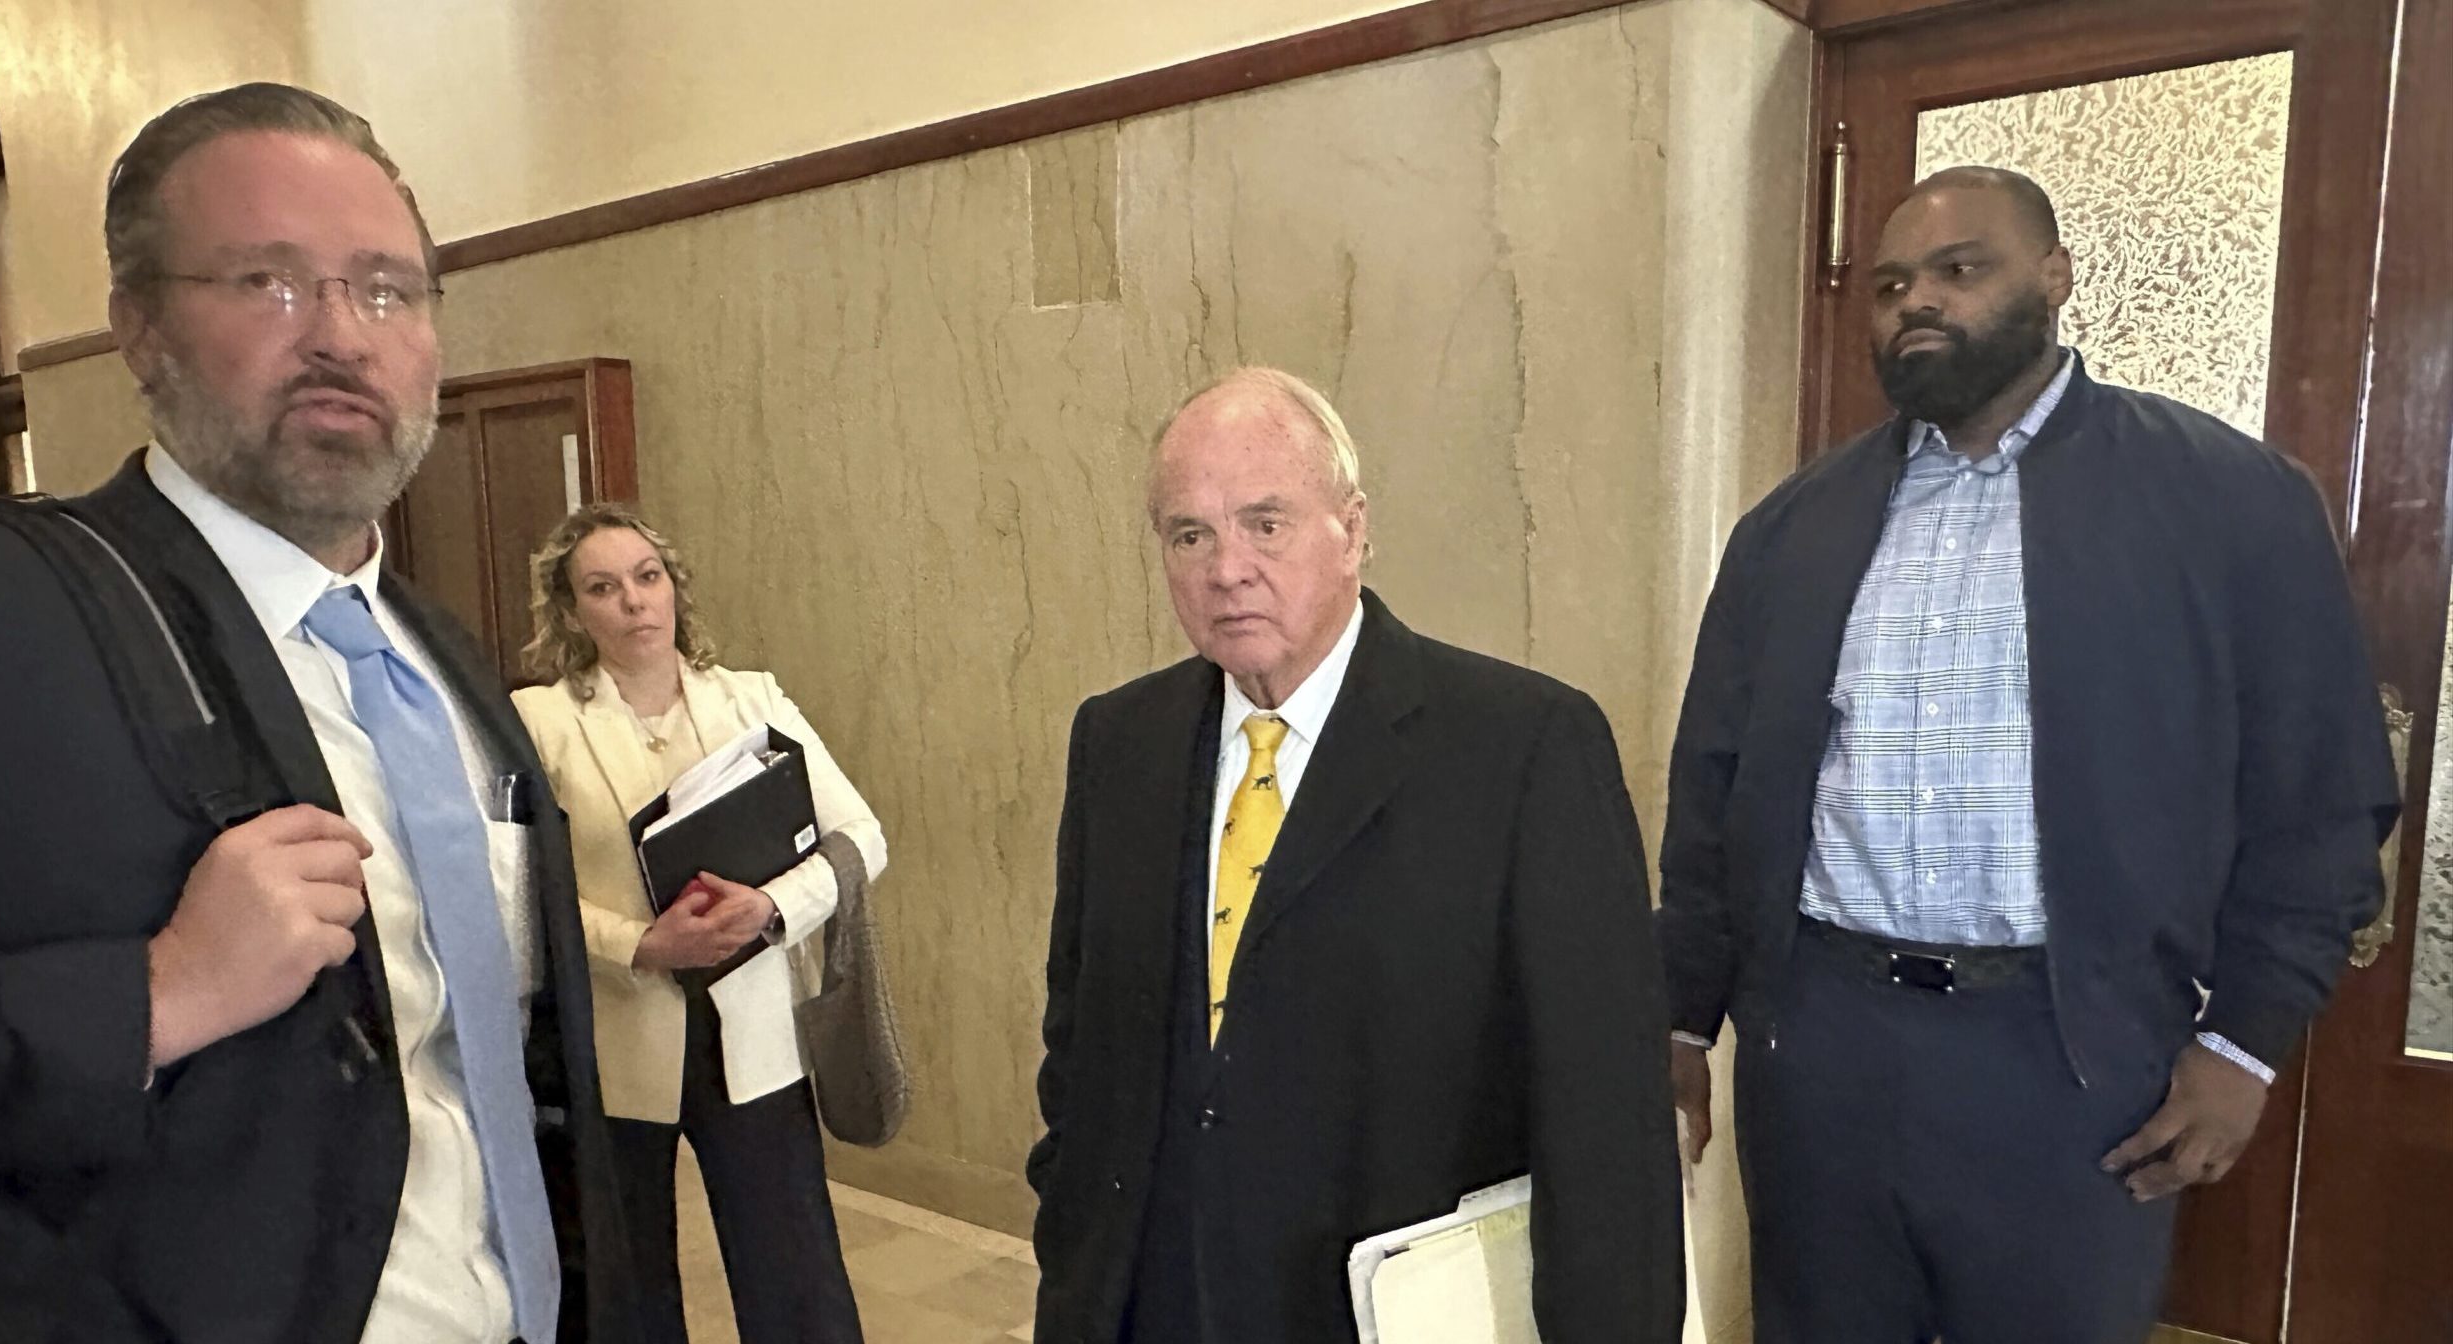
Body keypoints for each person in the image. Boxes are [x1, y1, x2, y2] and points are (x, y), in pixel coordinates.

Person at [0, 84, 639, 1342]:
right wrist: (154, 993)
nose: (342, 335)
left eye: (387, 288)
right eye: (267, 282)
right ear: (140, 327)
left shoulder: (446, 661)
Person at [1655, 166, 2401, 1343]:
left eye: (1962, 270)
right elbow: (1714, 792)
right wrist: (1682, 1020)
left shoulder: (2228, 503)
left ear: (2053, 280)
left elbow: (2320, 800)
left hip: (2070, 1054)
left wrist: (2243, 1042)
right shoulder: (1792, 532)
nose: (1919, 303)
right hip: (1821, 1045)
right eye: (1893, 282)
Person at [1026, 367, 1684, 1343]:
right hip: (1153, 1300)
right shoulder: (1119, 742)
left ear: (1354, 531)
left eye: (1266, 522)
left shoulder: (1523, 749)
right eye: (1189, 534)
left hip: (1381, 1309)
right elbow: (1082, 1050)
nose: (1227, 568)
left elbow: (1605, 1124)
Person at [513, 502, 877, 1344]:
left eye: (648, 578)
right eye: (603, 588)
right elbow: (520, 892)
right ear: (572, 612)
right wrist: (637, 943)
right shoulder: (541, 722)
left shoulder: (753, 701)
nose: (635, 602)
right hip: (618, 1040)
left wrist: (774, 908)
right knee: (627, 1286)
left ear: (674, 588)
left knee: (794, 1272)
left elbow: (862, 836)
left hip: (751, 1038)